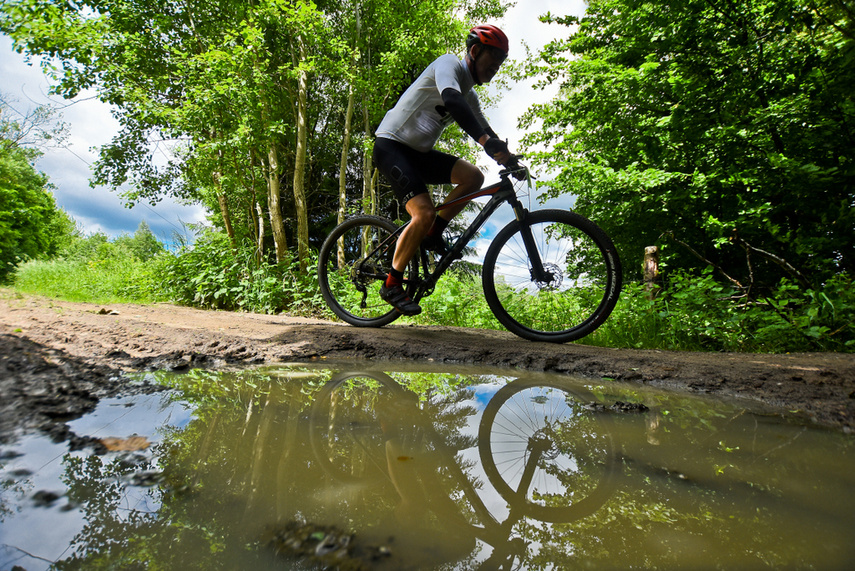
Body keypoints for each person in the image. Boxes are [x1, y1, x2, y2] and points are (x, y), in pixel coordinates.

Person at [373, 24, 519, 316]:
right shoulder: (448, 64)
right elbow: (452, 100)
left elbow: (485, 130)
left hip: (418, 153)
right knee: (423, 212)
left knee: (473, 177)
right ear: (475, 52)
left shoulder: (472, 97)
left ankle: (433, 232)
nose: (496, 69)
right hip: (391, 146)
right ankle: (391, 283)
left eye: (501, 64)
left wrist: (508, 159)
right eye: (493, 61)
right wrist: (487, 142)